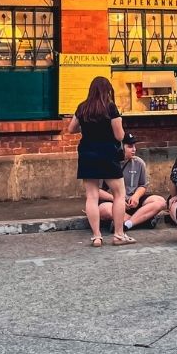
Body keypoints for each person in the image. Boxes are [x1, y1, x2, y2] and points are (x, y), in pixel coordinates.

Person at [68, 76, 131, 247]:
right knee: (119, 194)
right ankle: (119, 235)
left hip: (87, 153)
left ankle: (96, 236)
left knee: (92, 196)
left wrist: (87, 126)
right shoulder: (110, 108)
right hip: (108, 153)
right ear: (107, 91)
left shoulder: (83, 107)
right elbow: (119, 136)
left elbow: (71, 129)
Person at [99, 133, 167, 233]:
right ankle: (142, 221)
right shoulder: (106, 163)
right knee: (105, 210)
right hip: (113, 202)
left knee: (160, 201)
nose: (134, 149)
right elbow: (97, 191)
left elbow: (143, 185)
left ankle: (127, 224)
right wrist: (117, 199)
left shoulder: (139, 163)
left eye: (134, 146)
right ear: (120, 147)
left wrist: (136, 196)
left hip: (133, 202)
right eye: (130, 147)